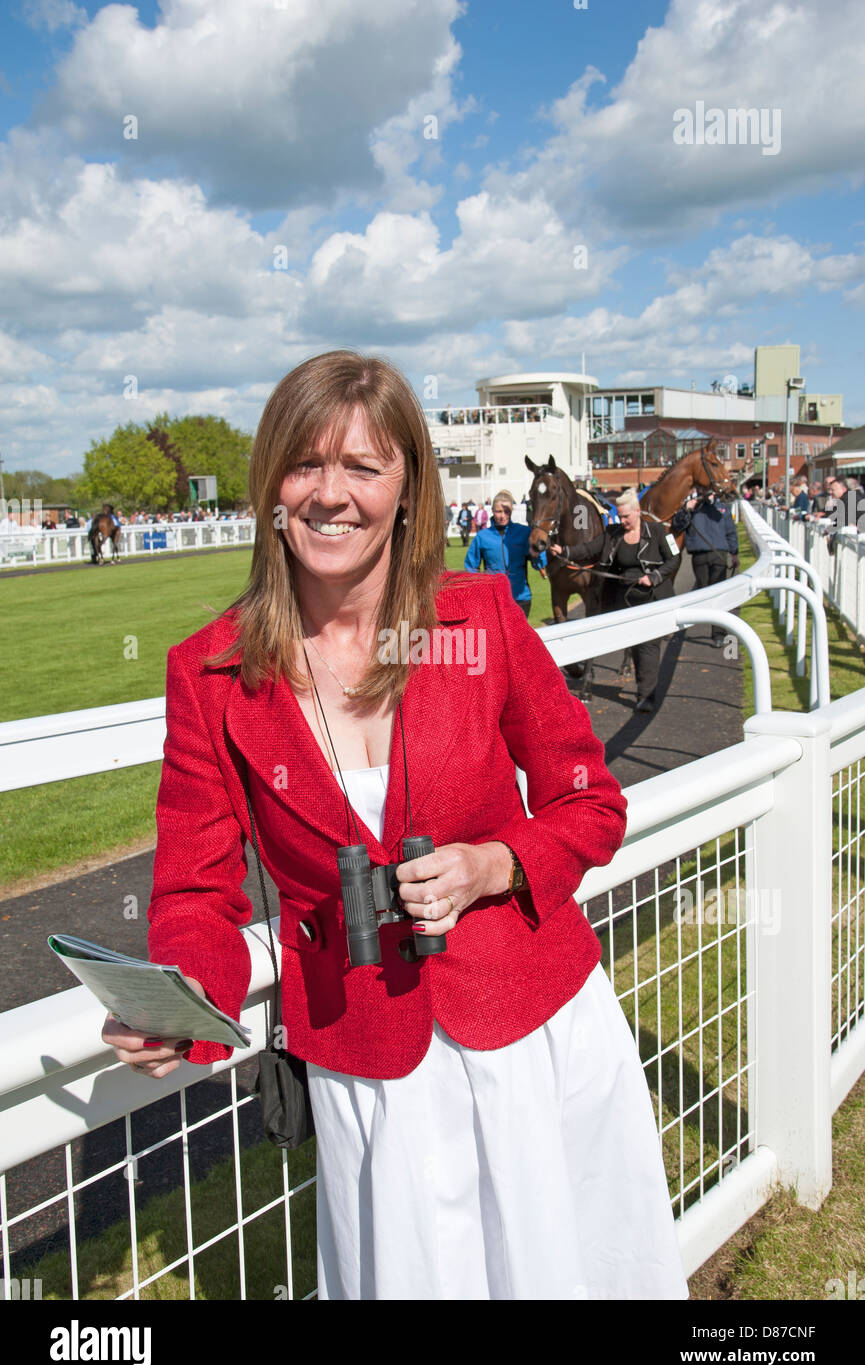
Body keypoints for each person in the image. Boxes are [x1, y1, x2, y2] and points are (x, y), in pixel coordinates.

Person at [103, 350, 688, 1302]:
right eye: (303, 465)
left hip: (535, 1032)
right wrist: (180, 1008)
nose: (330, 495)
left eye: (363, 468)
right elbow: (193, 894)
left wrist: (496, 862)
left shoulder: (479, 619)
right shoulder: (207, 671)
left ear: (407, 488)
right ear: (269, 486)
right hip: (369, 1061)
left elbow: (589, 801)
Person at [550, 488, 680, 713]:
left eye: (626, 517)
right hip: (620, 598)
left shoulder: (659, 532)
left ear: (638, 511)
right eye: (619, 516)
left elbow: (674, 558)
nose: (622, 521)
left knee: (647, 646)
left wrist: (654, 577)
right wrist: (566, 551)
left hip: (651, 598)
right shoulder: (612, 533)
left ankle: (646, 695)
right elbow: (589, 548)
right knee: (630, 641)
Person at [671, 490, 738, 647]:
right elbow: (678, 525)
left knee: (718, 594)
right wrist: (685, 509)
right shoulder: (692, 508)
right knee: (704, 592)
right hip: (699, 555)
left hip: (719, 554)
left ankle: (718, 633)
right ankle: (708, 623)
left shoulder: (722, 509)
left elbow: (731, 532)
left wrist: (734, 553)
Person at [463, 490, 544, 618]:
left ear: (512, 511)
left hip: (520, 598)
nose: (502, 516)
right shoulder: (482, 537)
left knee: (518, 637)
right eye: (498, 511)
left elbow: (538, 564)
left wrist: (538, 553)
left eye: (507, 512)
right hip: (492, 600)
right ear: (492, 511)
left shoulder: (524, 532)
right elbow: (471, 567)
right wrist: (479, 590)